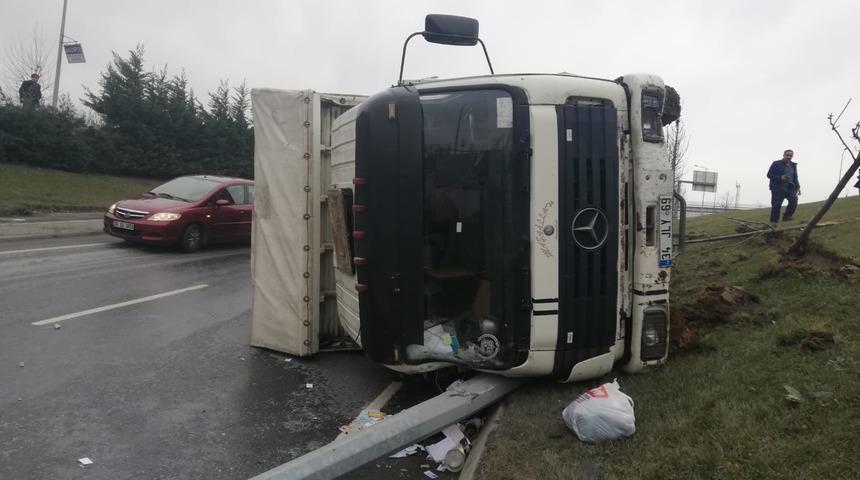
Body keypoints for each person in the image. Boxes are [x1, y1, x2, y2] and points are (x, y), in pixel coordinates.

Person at [766, 149, 801, 224]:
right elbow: (769, 175)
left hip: (790, 188)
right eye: (787, 155)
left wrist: (798, 187)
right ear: (783, 155)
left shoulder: (793, 165)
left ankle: (787, 216)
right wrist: (780, 177)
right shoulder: (776, 163)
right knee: (776, 205)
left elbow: (795, 177)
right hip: (777, 188)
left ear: (792, 156)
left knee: (794, 200)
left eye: (790, 155)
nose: (788, 157)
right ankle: (774, 222)